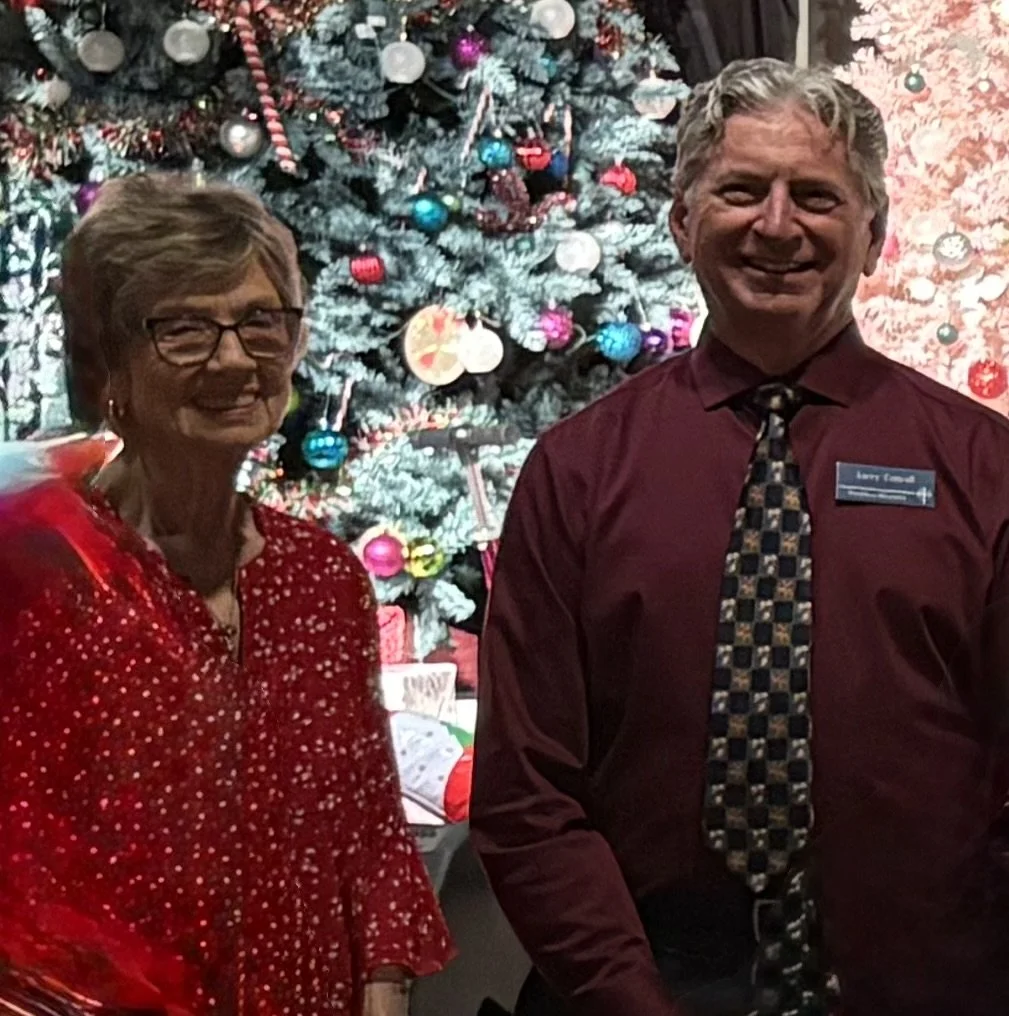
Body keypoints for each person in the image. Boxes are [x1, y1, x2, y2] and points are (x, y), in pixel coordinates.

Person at [471, 58, 1009, 1016]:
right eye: (740, 191)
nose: (775, 226)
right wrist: (628, 1000)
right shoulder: (579, 470)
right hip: (636, 992)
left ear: (874, 234)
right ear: (682, 223)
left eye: (816, 196)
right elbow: (527, 793)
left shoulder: (983, 468)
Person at [0, 174, 452, 1016]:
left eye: (260, 321)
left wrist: (383, 996)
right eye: (183, 329)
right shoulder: (38, 570)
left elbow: (368, 843)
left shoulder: (319, 579)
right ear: (105, 362)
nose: (236, 358)